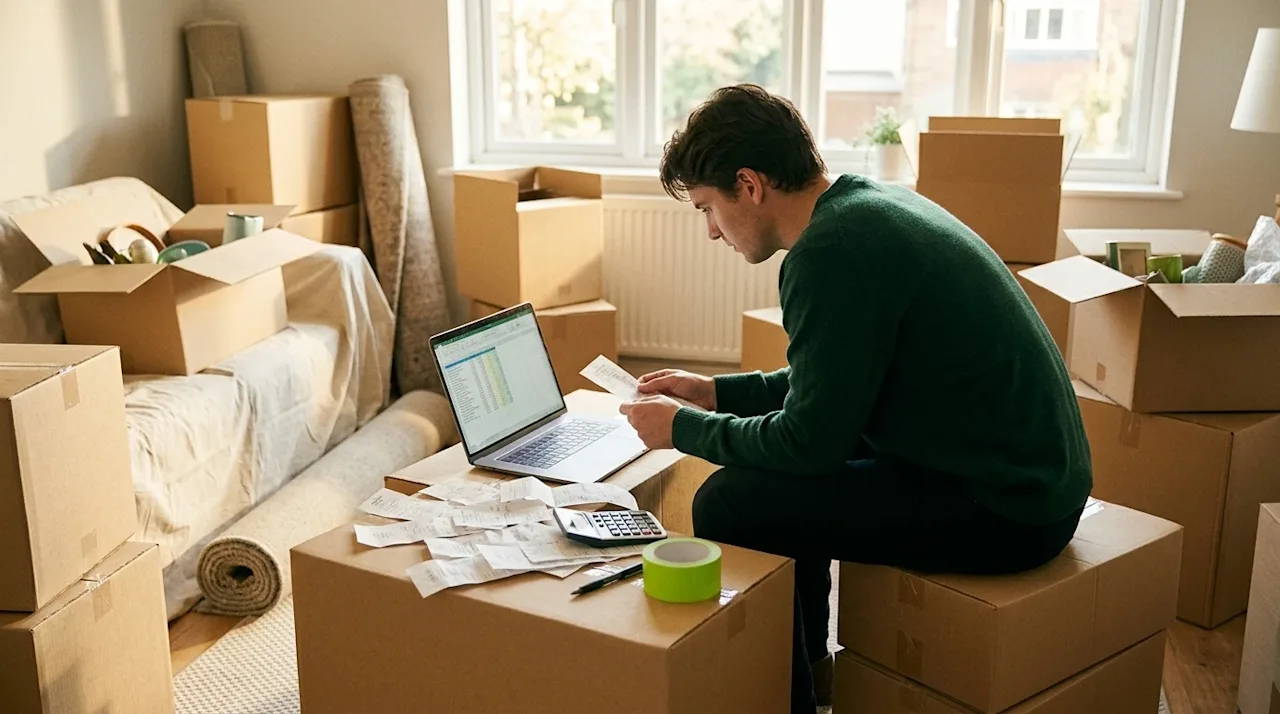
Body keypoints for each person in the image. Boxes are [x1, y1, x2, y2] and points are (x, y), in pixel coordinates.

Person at [618, 84, 1092, 714]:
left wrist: (681, 428)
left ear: (750, 185)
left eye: (708, 207)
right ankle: (814, 671)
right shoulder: (864, 208)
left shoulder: (829, 254)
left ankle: (786, 697)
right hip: (1030, 477)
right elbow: (833, 382)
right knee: (779, 480)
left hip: (1009, 506)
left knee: (733, 501)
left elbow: (809, 443)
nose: (711, 231)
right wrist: (713, 390)